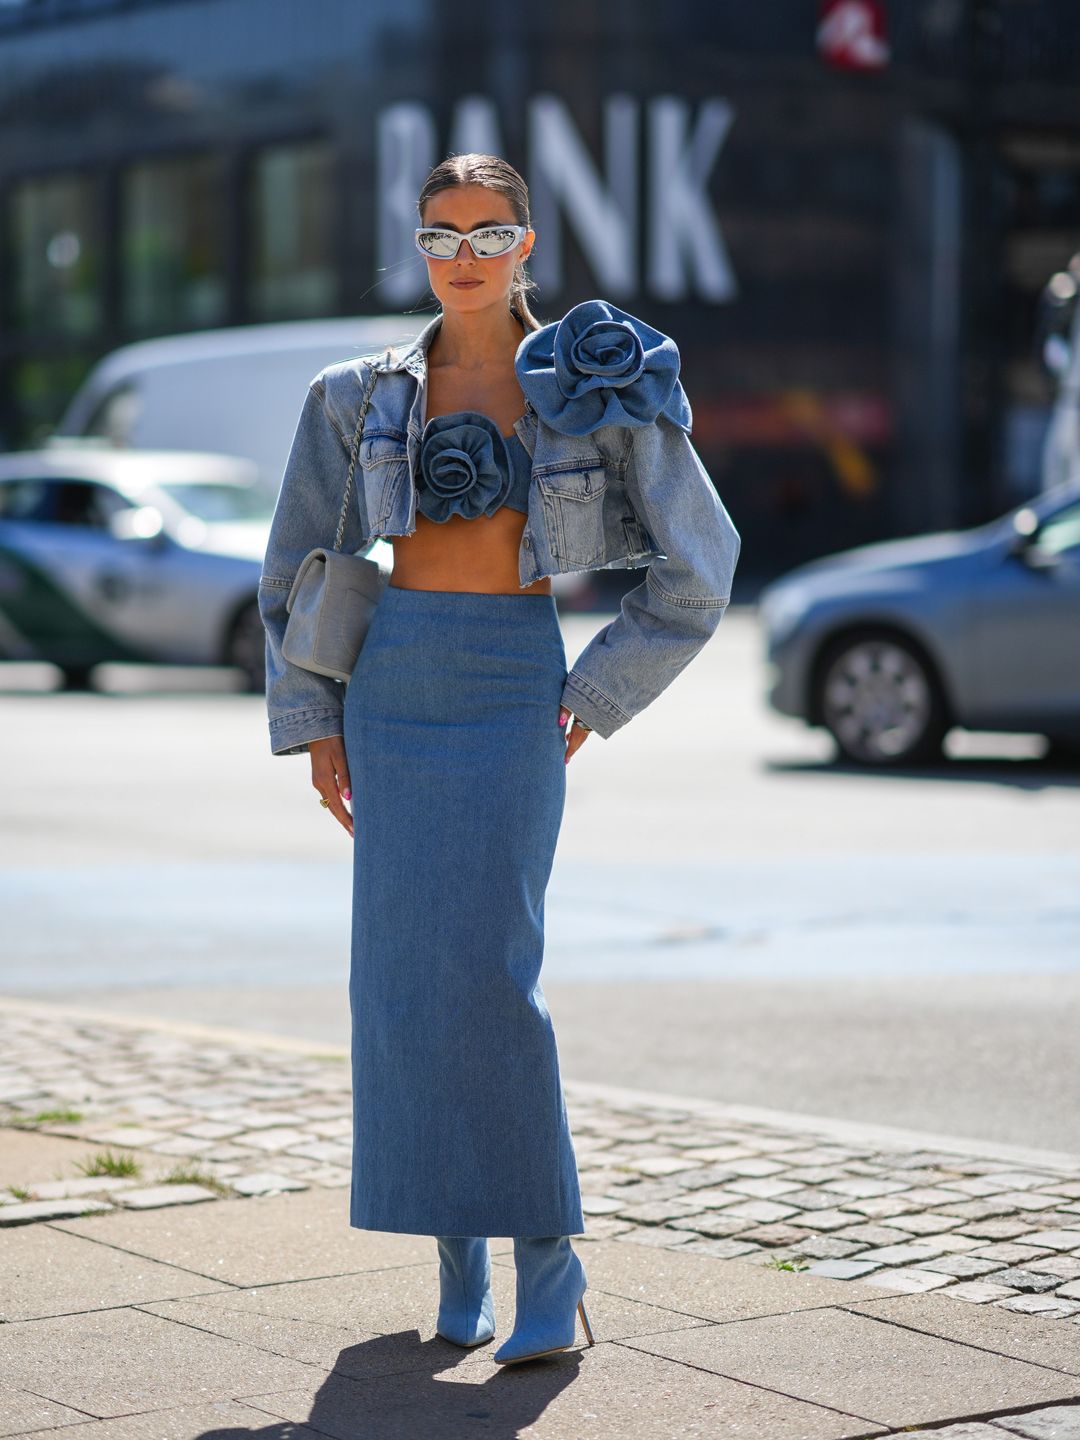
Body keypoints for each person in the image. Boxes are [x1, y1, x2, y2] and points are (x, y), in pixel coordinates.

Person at [258, 152, 741, 1366]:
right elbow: (292, 571)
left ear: (527, 242)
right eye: (439, 233)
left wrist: (600, 689)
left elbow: (702, 563)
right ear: (416, 245)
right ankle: (455, 1260)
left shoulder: (594, 379)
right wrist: (316, 721)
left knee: (491, 983)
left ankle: (548, 1257)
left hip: (516, 690)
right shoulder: (353, 393)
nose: (462, 254)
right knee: (404, 987)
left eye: (488, 232)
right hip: (391, 691)